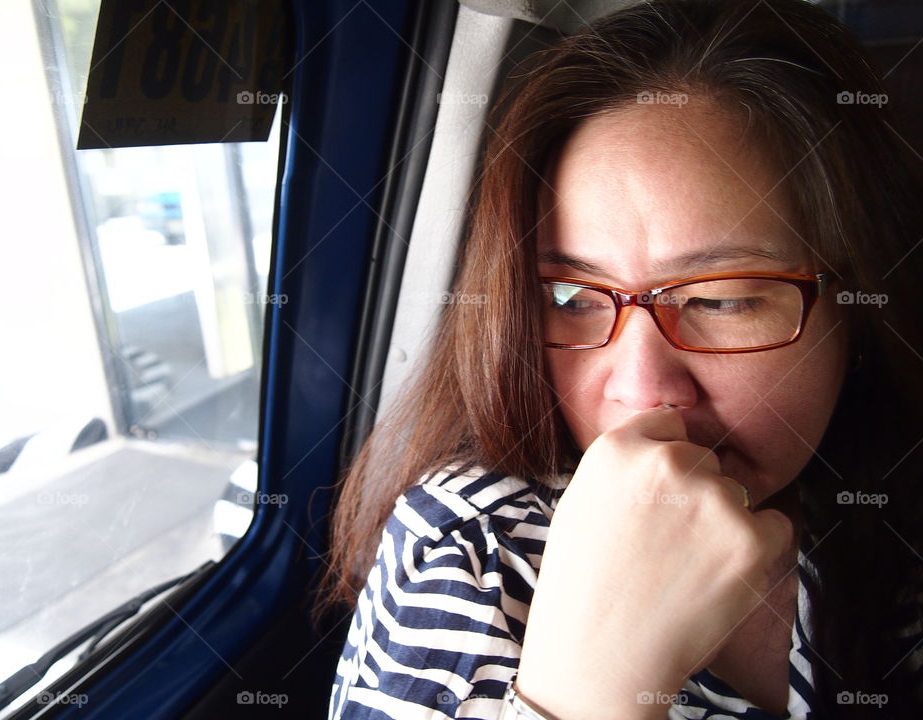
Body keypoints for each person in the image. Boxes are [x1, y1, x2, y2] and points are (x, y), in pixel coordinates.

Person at [320, 0, 923, 717]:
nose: (641, 390)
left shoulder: (887, 515)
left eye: (723, 300)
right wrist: (588, 690)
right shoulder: (473, 552)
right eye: (572, 295)